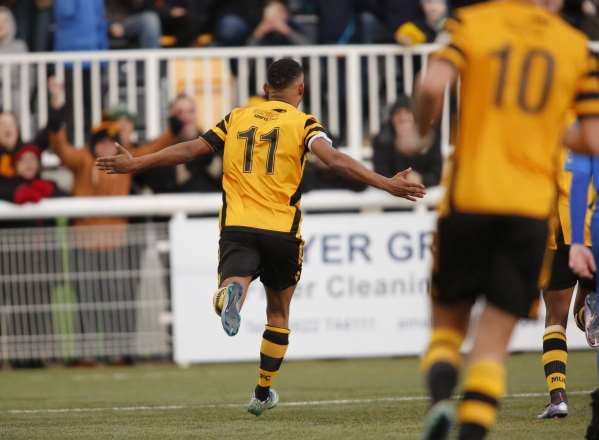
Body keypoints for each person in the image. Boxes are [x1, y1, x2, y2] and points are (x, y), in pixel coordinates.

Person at [96, 58, 426, 415]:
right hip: (281, 231)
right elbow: (335, 160)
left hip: (239, 226)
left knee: (233, 284)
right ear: (300, 89)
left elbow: (190, 149)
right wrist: (386, 184)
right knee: (278, 314)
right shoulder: (304, 123)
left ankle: (230, 295)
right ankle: (262, 391)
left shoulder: (237, 117)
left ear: (266, 90)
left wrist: (137, 162)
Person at [410, 1, 599, 439]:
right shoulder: (575, 48)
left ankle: (440, 400)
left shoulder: (473, 23)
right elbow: (590, 138)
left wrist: (419, 132)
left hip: (469, 198)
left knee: (448, 324)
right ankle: (475, 430)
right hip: (532, 214)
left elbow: (432, 86)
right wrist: (543, 128)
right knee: (494, 341)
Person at [537, 146, 595, 420]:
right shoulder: (590, 126)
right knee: (584, 314)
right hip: (592, 226)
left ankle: (558, 397)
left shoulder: (545, 122)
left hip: (558, 230)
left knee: (555, 318)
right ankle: (591, 311)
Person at [373, 96, 442, 188]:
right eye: (398, 113)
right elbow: (381, 175)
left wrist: (420, 179)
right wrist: (403, 179)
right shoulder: (383, 139)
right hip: (391, 195)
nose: (403, 117)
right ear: (392, 119)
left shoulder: (431, 136)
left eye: (408, 112)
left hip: (426, 192)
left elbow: (436, 174)